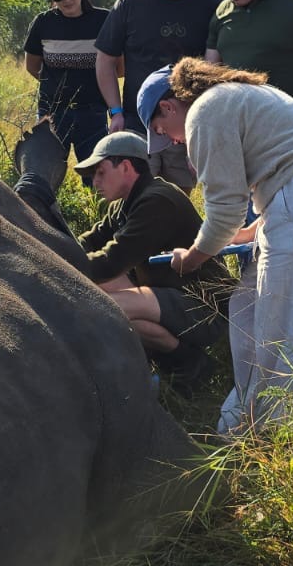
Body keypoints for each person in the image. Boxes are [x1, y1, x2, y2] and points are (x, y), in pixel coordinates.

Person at [140, 58, 293, 435]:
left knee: (291, 332)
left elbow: (225, 211)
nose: (172, 141)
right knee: (251, 306)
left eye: (162, 131)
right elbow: (279, 180)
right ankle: (246, 420)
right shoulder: (238, 96)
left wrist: (191, 258)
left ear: (168, 106)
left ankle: (282, 437)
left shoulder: (205, 112)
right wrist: (246, 233)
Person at [72, 130, 231, 389]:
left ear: (125, 167)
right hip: (169, 294)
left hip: (204, 307)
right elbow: (88, 243)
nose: (95, 182)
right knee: (94, 293)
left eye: (100, 172)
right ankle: (171, 362)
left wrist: (55, 267)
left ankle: (190, 363)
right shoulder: (125, 204)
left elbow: (111, 261)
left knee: (105, 307)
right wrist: (52, 250)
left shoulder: (157, 201)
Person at [94, 0, 221, 190]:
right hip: (137, 125)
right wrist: (115, 111)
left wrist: (202, 127)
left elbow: (215, 69)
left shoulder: (211, 6)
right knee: (135, 198)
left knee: (177, 203)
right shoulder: (130, 3)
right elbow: (105, 59)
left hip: (184, 131)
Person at [24, 0, 108, 161]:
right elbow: (32, 66)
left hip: (93, 111)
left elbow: (118, 67)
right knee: (46, 170)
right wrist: (58, 87)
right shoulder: (43, 23)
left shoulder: (104, 20)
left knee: (96, 172)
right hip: (52, 111)